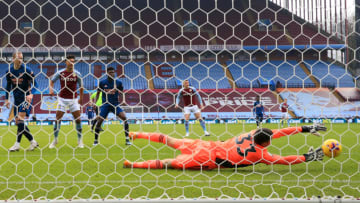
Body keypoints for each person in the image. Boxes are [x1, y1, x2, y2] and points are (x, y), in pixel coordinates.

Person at [123, 124, 327, 170]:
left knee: (171, 140)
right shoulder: (260, 154)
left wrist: (305, 128)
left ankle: (136, 134)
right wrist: (307, 157)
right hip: (209, 160)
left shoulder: (250, 134)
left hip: (206, 145)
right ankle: (132, 164)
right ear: (266, 143)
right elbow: (283, 160)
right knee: (172, 163)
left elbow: (279, 131)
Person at [5, 51, 39, 152]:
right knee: (18, 122)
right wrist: (7, 99)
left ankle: (18, 144)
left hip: (26, 98)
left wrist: (31, 93)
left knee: (19, 120)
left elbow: (36, 84)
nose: (20, 60)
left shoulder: (27, 70)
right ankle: (32, 142)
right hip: (16, 99)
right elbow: (8, 86)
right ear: (13, 59)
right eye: (18, 58)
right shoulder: (9, 71)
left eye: (21, 58)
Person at [49, 55, 84, 148]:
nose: (72, 63)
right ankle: (55, 140)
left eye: (73, 61)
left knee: (78, 119)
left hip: (73, 100)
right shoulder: (60, 73)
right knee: (57, 119)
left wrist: (81, 98)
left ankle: (80, 141)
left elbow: (81, 86)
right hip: (62, 99)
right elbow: (52, 81)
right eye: (70, 61)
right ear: (66, 62)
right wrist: (51, 90)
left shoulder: (77, 73)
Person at [92, 67, 131, 146]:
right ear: (107, 73)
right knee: (99, 122)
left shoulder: (118, 82)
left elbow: (121, 92)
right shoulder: (102, 82)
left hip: (115, 104)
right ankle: (96, 140)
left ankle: (127, 139)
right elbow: (98, 93)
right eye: (110, 72)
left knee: (124, 118)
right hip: (105, 104)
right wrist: (96, 103)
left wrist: (123, 101)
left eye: (113, 72)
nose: (112, 74)